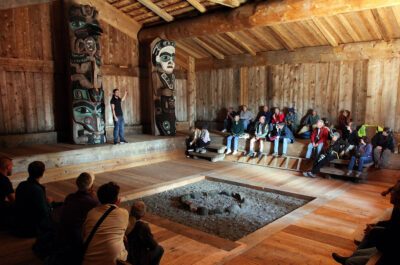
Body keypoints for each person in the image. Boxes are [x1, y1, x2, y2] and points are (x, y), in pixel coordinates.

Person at [331, 181, 400, 265]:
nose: (390, 193)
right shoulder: (397, 207)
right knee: (359, 251)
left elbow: (391, 241)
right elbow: (393, 226)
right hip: (389, 241)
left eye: (393, 191)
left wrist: (373, 232)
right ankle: (351, 257)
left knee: (351, 262)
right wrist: (377, 224)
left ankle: (349, 260)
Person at [82, 182, 129, 265]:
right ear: (117, 199)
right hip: (114, 262)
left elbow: (84, 234)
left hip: (88, 261)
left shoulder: (91, 213)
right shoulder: (124, 213)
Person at [58, 172, 99, 246]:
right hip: (77, 238)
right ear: (91, 186)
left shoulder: (70, 197)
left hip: (63, 234)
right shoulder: (92, 203)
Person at [14, 161, 52, 237]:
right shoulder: (37, 189)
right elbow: (43, 212)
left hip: (19, 225)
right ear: (42, 173)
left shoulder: (21, 184)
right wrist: (49, 204)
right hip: (32, 229)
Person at [127, 201, 164, 265]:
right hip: (135, 259)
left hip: (126, 254)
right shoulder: (142, 226)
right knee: (160, 249)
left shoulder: (124, 220)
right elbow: (153, 245)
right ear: (143, 214)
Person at [0, 156, 15, 229]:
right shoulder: (4, 180)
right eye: (12, 166)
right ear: (8, 167)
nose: (12, 169)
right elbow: (13, 200)